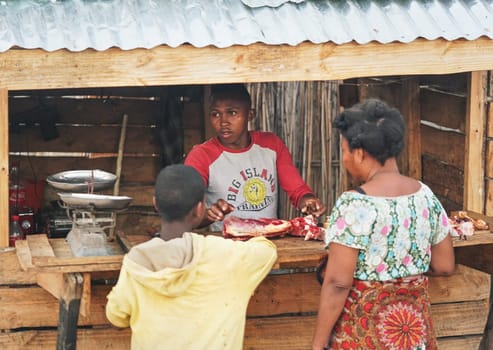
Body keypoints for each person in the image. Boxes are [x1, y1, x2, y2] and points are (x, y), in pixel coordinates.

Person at [311, 99, 455, 350]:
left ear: (359, 153)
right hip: (412, 334)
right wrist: (402, 278)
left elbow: (338, 283)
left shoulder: (355, 205)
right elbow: (444, 265)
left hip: (364, 335)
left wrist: (317, 344)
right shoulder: (426, 196)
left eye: (344, 151)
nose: (344, 159)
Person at [105, 164, 277, 350]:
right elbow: (268, 251)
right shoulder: (227, 256)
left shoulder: (136, 261)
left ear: (155, 203)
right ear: (200, 209)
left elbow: (116, 318)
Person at [184, 83, 326, 231]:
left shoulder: (271, 145)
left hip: (269, 244)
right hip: (227, 248)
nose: (223, 122)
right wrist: (208, 215)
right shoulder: (201, 156)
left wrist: (308, 201)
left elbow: (297, 190)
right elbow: (185, 216)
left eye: (232, 113)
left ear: (250, 115)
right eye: (216, 114)